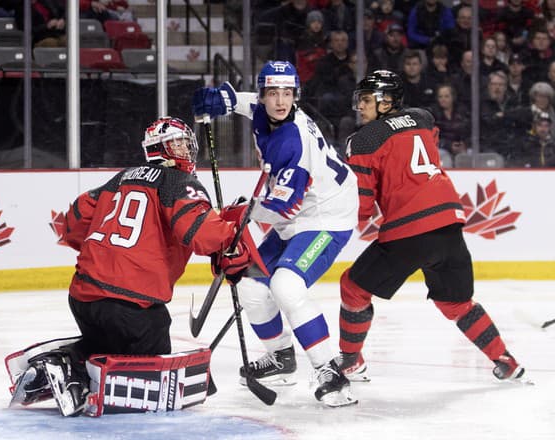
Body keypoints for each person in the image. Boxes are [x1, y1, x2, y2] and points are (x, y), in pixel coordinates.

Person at [8, 116, 258, 416]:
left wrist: (104, 252)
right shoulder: (178, 182)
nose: (185, 150)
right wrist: (230, 236)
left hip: (83, 296)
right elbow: (202, 235)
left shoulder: (121, 177)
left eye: (184, 143)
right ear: (159, 150)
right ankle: (77, 367)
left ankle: (67, 363)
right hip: (130, 303)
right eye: (176, 144)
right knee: (151, 358)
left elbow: (73, 223)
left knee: (107, 343)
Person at [338, 69, 529, 385]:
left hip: (408, 229)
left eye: (368, 100)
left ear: (387, 102)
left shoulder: (364, 140)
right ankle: (506, 361)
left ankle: (349, 362)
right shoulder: (422, 118)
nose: (361, 106)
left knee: (353, 287)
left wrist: (340, 226)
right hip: (449, 223)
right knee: (456, 303)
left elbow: (363, 204)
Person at [192, 61, 359, 406]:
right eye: (273, 93)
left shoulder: (291, 142)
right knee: (251, 286)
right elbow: (242, 101)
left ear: (296, 96)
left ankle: (331, 372)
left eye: (287, 94)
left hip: (326, 215)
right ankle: (282, 357)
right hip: (299, 211)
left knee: (286, 285)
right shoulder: (264, 108)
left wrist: (235, 220)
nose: (280, 101)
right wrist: (218, 99)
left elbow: (281, 208)